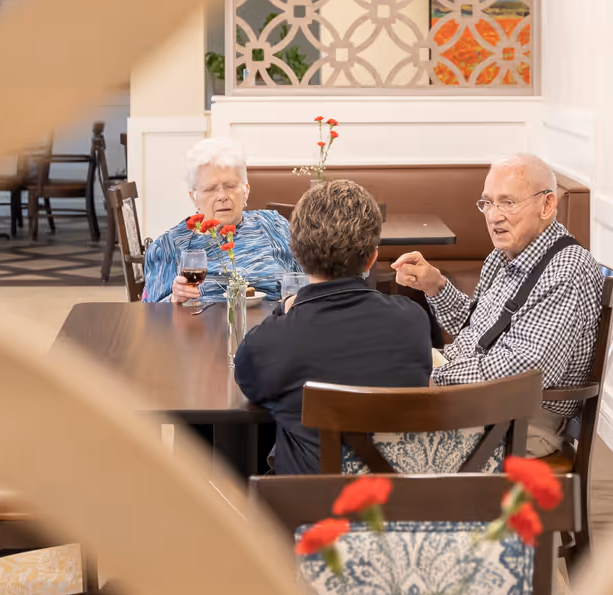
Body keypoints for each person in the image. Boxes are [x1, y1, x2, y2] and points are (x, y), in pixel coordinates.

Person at [390, 152, 603, 457]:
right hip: (475, 397)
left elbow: (524, 372)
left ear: (547, 205)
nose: (493, 216)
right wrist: (435, 285)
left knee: (369, 428)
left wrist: (431, 378)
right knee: (364, 380)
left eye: (508, 202)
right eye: (487, 203)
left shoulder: (566, 271)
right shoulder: (504, 255)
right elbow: (479, 330)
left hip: (519, 421)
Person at [232, 180, 432, 475]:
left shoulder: (273, 342)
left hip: (308, 511)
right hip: (394, 506)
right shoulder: (413, 321)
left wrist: (284, 308)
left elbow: (250, 386)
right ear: (372, 258)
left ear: (295, 254)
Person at [142, 137, 300, 304]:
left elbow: (307, 281)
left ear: (245, 191)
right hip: (201, 328)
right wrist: (174, 299)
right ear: (194, 197)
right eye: (210, 189)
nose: (222, 196)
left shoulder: (273, 225)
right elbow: (152, 315)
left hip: (273, 325)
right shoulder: (169, 245)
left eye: (230, 186)